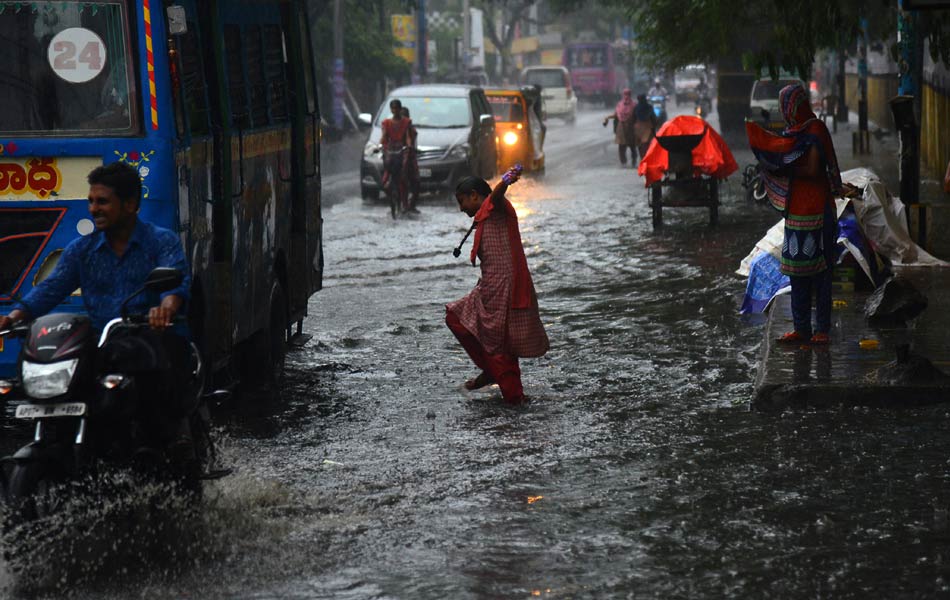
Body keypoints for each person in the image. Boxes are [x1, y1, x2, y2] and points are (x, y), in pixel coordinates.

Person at [0, 161, 196, 458]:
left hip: (153, 339)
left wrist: (165, 309)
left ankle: (169, 444)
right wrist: (14, 316)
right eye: (91, 201)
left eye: (102, 201)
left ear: (130, 204)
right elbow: (51, 288)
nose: (93, 209)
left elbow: (176, 284)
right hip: (104, 343)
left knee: (155, 404)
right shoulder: (82, 250)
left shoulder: (161, 241)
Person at [446, 167, 549, 405]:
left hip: (505, 290)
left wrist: (504, 181)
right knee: (455, 318)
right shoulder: (483, 217)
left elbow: (496, 196)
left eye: (462, 202)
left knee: (501, 349)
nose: (461, 209)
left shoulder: (499, 208)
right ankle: (492, 371)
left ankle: (514, 399)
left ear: (474, 195)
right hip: (489, 289)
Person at [748, 83, 842, 344]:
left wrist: (784, 166)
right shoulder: (792, 135)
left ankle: (822, 329)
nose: (783, 111)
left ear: (795, 106)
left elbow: (812, 169)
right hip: (796, 214)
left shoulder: (815, 130)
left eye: (785, 106)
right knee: (797, 273)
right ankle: (802, 328)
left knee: (821, 274)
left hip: (818, 211)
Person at [380, 99, 412, 214]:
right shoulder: (386, 123)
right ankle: (390, 194)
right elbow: (384, 137)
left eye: (396, 108)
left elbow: (408, 137)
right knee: (384, 179)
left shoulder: (406, 122)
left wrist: (408, 146)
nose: (395, 111)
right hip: (390, 152)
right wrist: (381, 144)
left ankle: (404, 202)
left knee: (403, 176)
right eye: (393, 108)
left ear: (399, 109)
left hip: (401, 152)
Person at [602, 88, 638, 167]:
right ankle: (630, 162)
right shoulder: (632, 105)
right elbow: (637, 116)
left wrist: (607, 118)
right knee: (628, 146)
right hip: (627, 128)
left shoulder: (621, 105)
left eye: (626, 95)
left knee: (626, 146)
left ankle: (627, 162)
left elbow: (615, 115)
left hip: (624, 128)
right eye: (626, 94)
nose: (626, 97)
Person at [401, 105, 421, 213]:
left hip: (410, 158)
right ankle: (404, 205)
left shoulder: (411, 128)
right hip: (399, 158)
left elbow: (412, 143)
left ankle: (411, 205)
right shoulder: (394, 127)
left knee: (416, 182)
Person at [632, 93, 658, 162]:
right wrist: (655, 126)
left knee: (640, 144)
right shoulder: (649, 107)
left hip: (638, 127)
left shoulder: (636, 107)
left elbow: (633, 118)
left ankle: (643, 158)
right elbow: (653, 117)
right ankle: (647, 158)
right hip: (647, 127)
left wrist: (634, 126)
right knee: (646, 143)